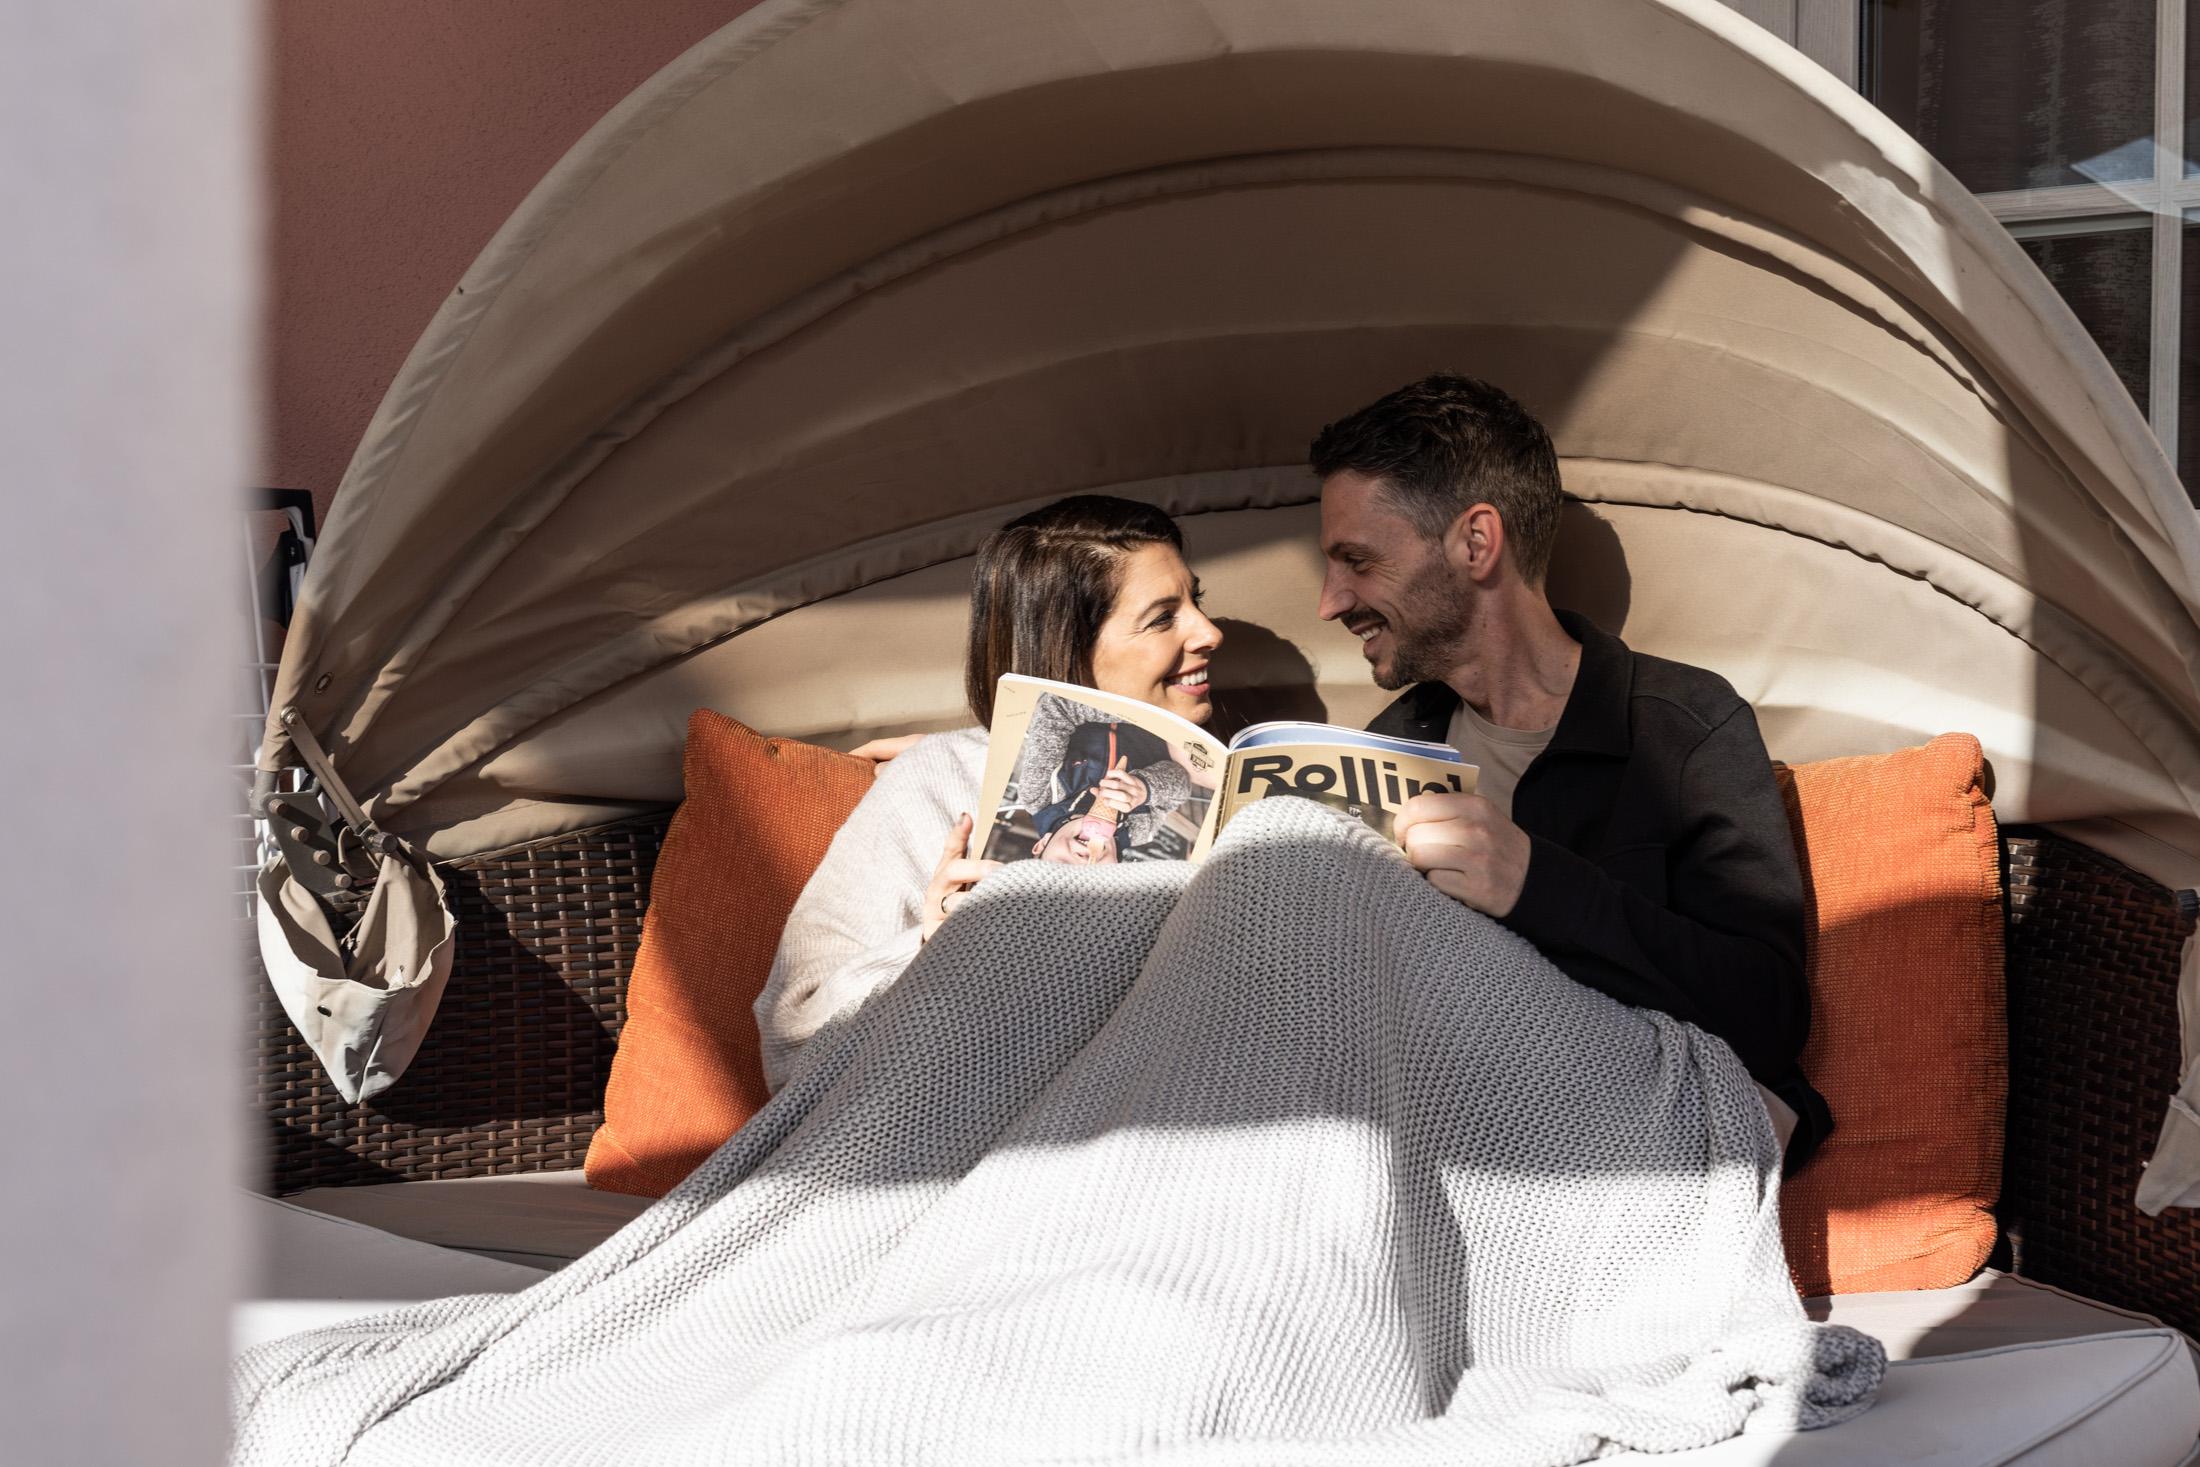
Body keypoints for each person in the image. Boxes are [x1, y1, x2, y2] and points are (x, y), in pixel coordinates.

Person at [1310, 373, 1830, 1169]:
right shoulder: (1389, 748)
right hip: (1443, 1134)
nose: (1330, 601)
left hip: (1627, 1142)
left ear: (1476, 543)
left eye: (1357, 560)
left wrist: (1533, 882)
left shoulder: (1682, 726)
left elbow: (1768, 1014)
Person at [754, 494, 1223, 1090]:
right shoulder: (937, 779)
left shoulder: (1223, 779)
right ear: (1065, 642)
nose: (1210, 632)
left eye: (1197, 601)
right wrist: (935, 945)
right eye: (1162, 618)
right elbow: (790, 1044)